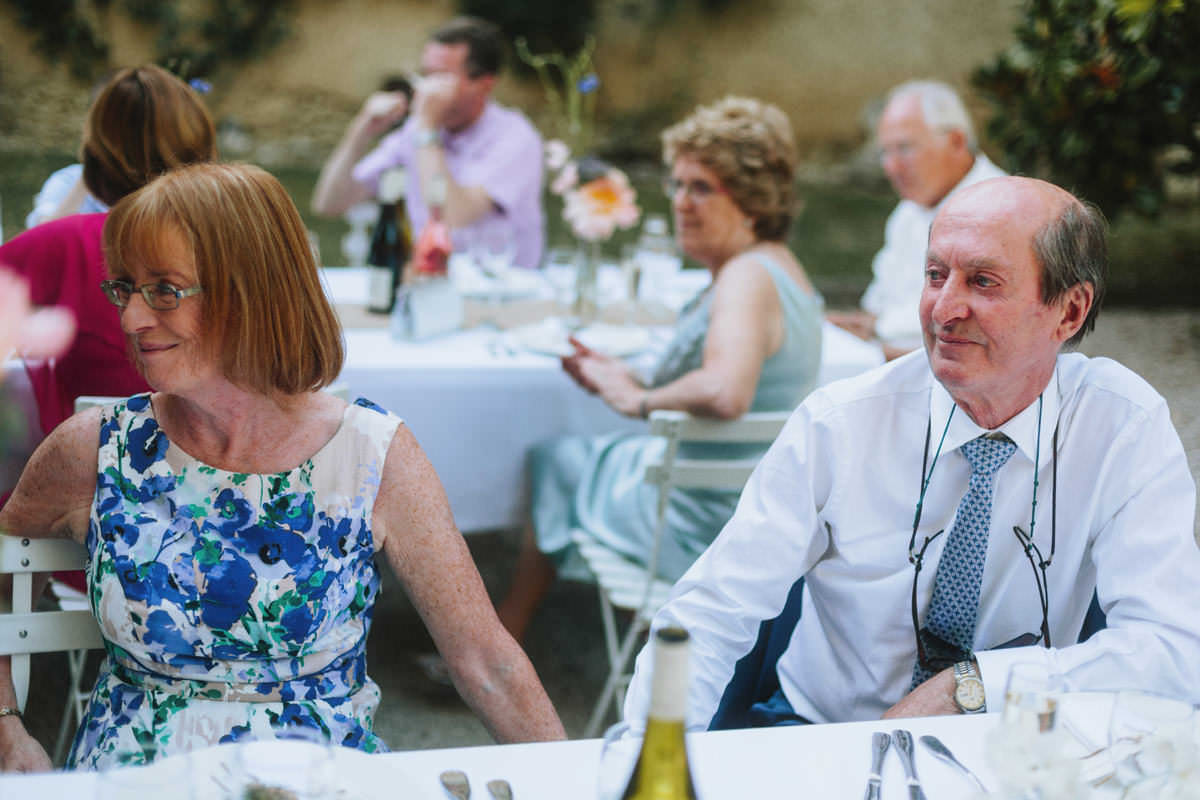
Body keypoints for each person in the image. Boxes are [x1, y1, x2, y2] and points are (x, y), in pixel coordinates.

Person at [0, 162, 565, 773]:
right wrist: (7, 728)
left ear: (251, 292)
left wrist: (574, 785)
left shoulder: (373, 456)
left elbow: (485, 660)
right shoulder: (95, 447)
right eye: (125, 288)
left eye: (164, 289)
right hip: (135, 781)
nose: (132, 318)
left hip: (321, 782)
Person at [623, 176, 1200, 730]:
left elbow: (1171, 651)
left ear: (1069, 312)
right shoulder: (841, 424)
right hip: (823, 733)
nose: (942, 310)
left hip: (1013, 742)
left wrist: (970, 687)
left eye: (983, 282)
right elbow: (710, 611)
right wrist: (650, 760)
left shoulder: (1119, 425)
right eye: (934, 275)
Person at [495, 97, 824, 644]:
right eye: (676, 185)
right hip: (746, 500)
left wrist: (637, 400)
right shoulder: (779, 268)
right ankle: (613, 628)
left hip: (703, 522)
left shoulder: (745, 277)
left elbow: (727, 392)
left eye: (701, 188)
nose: (680, 202)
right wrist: (629, 377)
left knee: (555, 456)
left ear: (749, 200)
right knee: (594, 453)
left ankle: (511, 632)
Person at [0, 64, 218, 439]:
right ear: (201, 147)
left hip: (89, 481)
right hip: (234, 486)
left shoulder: (59, 245)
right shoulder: (243, 240)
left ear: (94, 155)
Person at [312, 16, 544, 269]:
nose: (425, 89)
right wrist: (360, 131)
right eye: (424, 75)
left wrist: (427, 128)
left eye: (441, 77)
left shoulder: (516, 138)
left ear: (484, 84)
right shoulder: (418, 130)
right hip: (426, 284)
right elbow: (329, 204)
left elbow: (451, 218)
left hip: (506, 296)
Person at [827, 81, 1005, 358]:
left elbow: (979, 334)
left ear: (956, 142)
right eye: (885, 152)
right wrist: (853, 326)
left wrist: (877, 353)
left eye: (905, 149)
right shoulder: (907, 212)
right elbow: (882, 307)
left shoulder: (1002, 209)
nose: (891, 167)